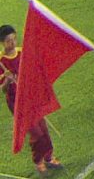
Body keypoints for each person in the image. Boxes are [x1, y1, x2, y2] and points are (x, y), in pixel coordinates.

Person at [1, 23, 60, 174]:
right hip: (17, 103)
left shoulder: (23, 53)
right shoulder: (1, 62)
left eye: (14, 39)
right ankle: (38, 161)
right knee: (36, 133)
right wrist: (6, 80)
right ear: (2, 42)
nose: (12, 43)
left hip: (32, 97)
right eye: (8, 40)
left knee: (44, 130)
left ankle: (48, 157)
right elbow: (3, 90)